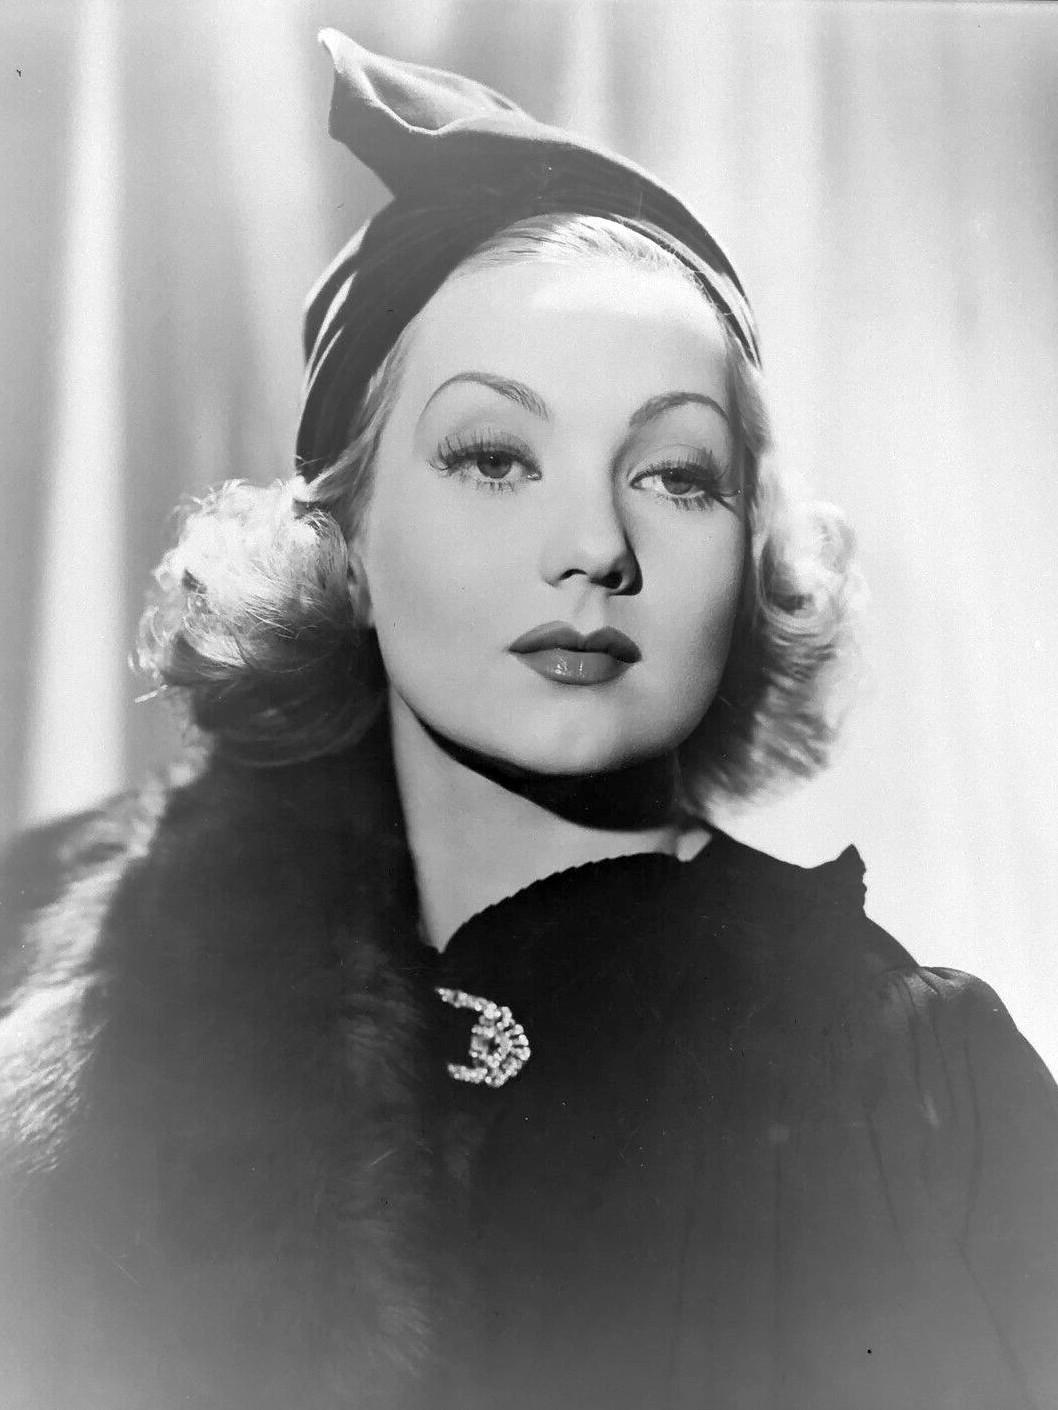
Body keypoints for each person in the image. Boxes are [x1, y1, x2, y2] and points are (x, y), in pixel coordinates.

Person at [1, 30, 1056, 1410]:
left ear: (748, 554)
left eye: (677, 475)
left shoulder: (898, 1080)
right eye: (496, 456)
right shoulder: (69, 981)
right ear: (344, 539)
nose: (596, 547)